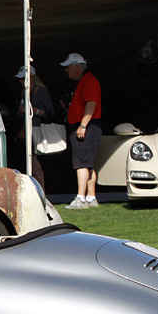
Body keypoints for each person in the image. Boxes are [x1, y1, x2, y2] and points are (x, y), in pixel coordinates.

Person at [61, 53, 101, 209]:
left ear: (76, 67)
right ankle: (91, 197)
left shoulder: (88, 81)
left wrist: (83, 125)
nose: (66, 71)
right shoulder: (85, 81)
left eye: (68, 67)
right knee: (88, 163)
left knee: (81, 164)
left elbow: (91, 104)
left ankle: (80, 198)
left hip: (86, 126)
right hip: (88, 126)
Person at [16, 65, 56, 191]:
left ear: (31, 78)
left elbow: (51, 114)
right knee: (29, 163)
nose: (21, 82)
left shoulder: (42, 91)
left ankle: (40, 192)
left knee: (36, 165)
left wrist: (35, 111)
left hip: (38, 131)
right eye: (20, 79)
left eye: (23, 79)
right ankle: (33, 190)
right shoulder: (24, 92)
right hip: (27, 132)